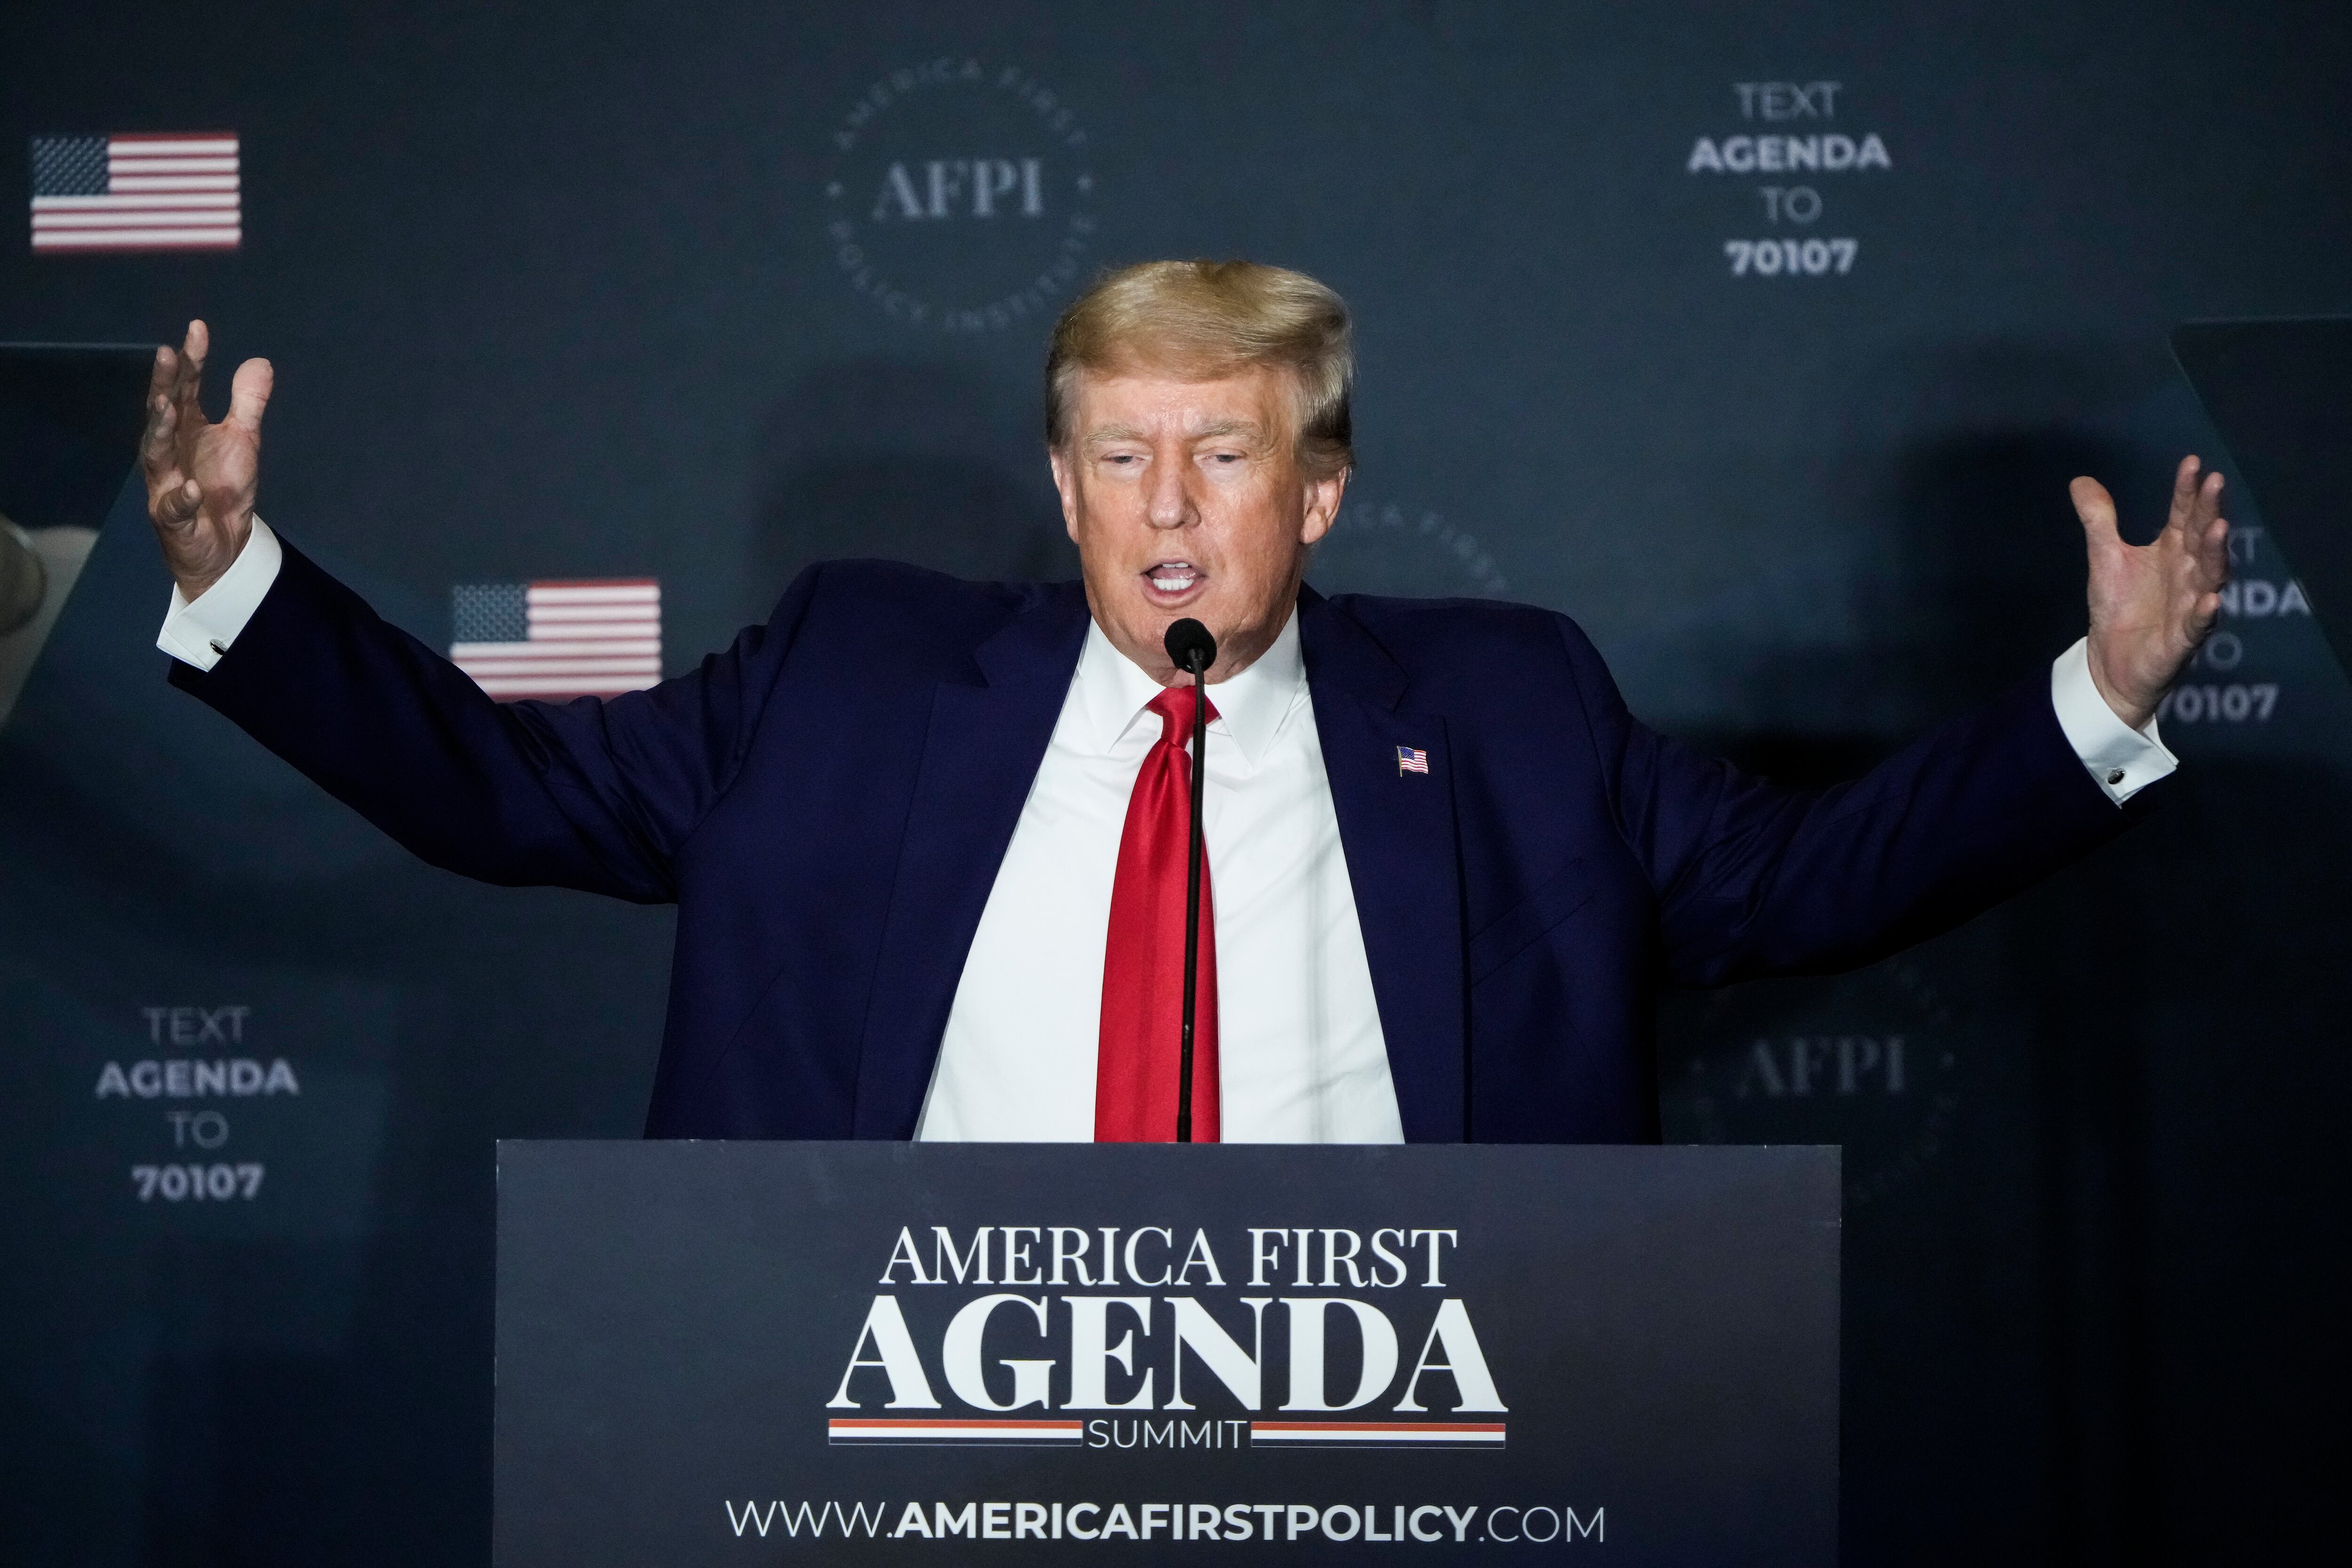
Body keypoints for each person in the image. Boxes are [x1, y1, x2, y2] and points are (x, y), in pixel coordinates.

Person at [137, 261, 2229, 1144]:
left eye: (1221, 458)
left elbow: (1793, 879)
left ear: (1315, 491)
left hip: (1386, 1461)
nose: (1162, 510)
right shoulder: (849, 676)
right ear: (1055, 484)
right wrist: (243, 582)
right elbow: (501, 792)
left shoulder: (1501, 709)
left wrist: (2095, 698)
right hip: (890, 1450)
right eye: (1117, 457)